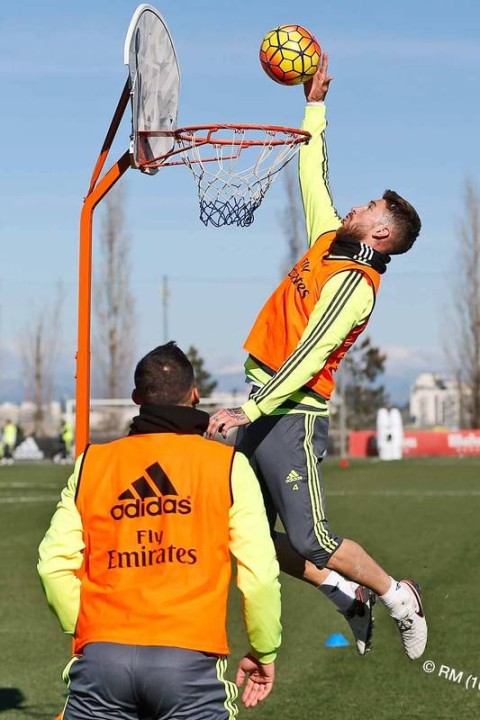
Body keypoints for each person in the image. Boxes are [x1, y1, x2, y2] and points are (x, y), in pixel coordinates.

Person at [207, 52, 427, 661]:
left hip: (291, 411)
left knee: (311, 535)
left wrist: (252, 409)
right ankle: (345, 596)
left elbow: (307, 356)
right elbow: (313, 174)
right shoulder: (332, 238)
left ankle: (395, 594)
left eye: (367, 212)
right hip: (262, 402)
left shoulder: (357, 284)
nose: (354, 208)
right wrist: (314, 104)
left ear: (380, 235)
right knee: (238, 531)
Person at [38, 342, 281, 719]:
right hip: (188, 658)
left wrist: (91, 628)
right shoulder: (227, 465)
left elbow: (52, 566)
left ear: (137, 398)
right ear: (196, 394)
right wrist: (264, 650)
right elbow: (260, 576)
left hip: (102, 657)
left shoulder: (93, 464)